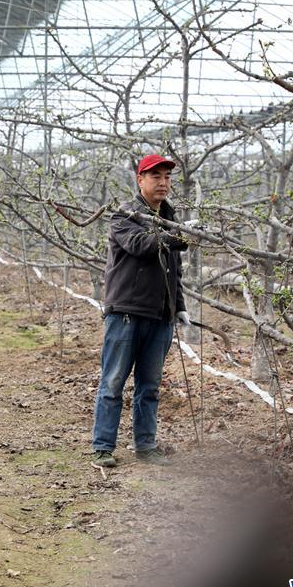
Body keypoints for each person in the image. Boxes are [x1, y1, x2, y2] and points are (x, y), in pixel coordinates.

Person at [91, 154, 191, 468]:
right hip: (126, 313)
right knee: (113, 383)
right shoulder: (124, 214)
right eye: (156, 176)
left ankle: (146, 446)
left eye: (167, 177)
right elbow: (140, 245)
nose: (163, 183)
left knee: (149, 386)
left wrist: (179, 306)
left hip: (160, 317)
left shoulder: (171, 216)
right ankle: (103, 447)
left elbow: (173, 270)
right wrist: (175, 236)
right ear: (140, 179)